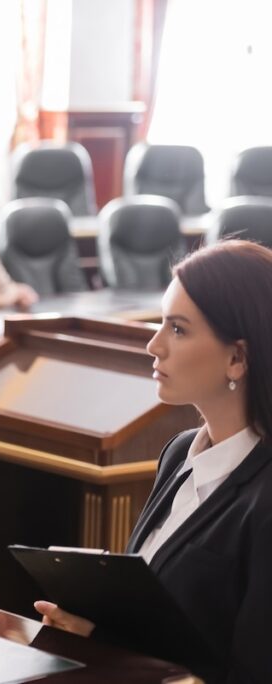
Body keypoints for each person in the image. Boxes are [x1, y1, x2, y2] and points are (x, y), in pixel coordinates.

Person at [34, 240, 272, 682]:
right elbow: (157, 633)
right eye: (161, 323)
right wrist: (94, 628)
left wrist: (107, 644)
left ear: (237, 358)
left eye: (178, 329)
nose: (153, 345)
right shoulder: (179, 452)